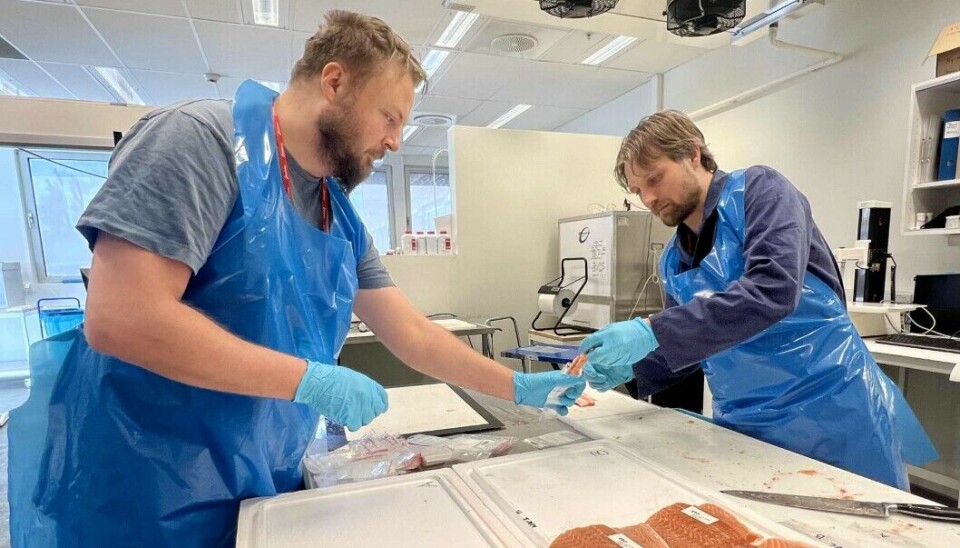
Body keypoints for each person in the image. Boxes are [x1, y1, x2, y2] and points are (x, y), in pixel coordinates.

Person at [7, 11, 585, 547]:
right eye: (390, 117)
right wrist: (309, 379)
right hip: (143, 485)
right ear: (334, 82)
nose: (394, 141)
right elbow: (122, 319)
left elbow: (410, 333)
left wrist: (516, 387)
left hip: (257, 477)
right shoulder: (199, 142)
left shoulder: (335, 209)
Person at [580, 110, 937, 489]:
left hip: (832, 410)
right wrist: (629, 368)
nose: (649, 198)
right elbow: (691, 343)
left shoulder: (760, 191)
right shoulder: (672, 260)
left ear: (693, 155)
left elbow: (773, 289)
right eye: (638, 191)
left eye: (655, 179)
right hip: (747, 425)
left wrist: (651, 329)